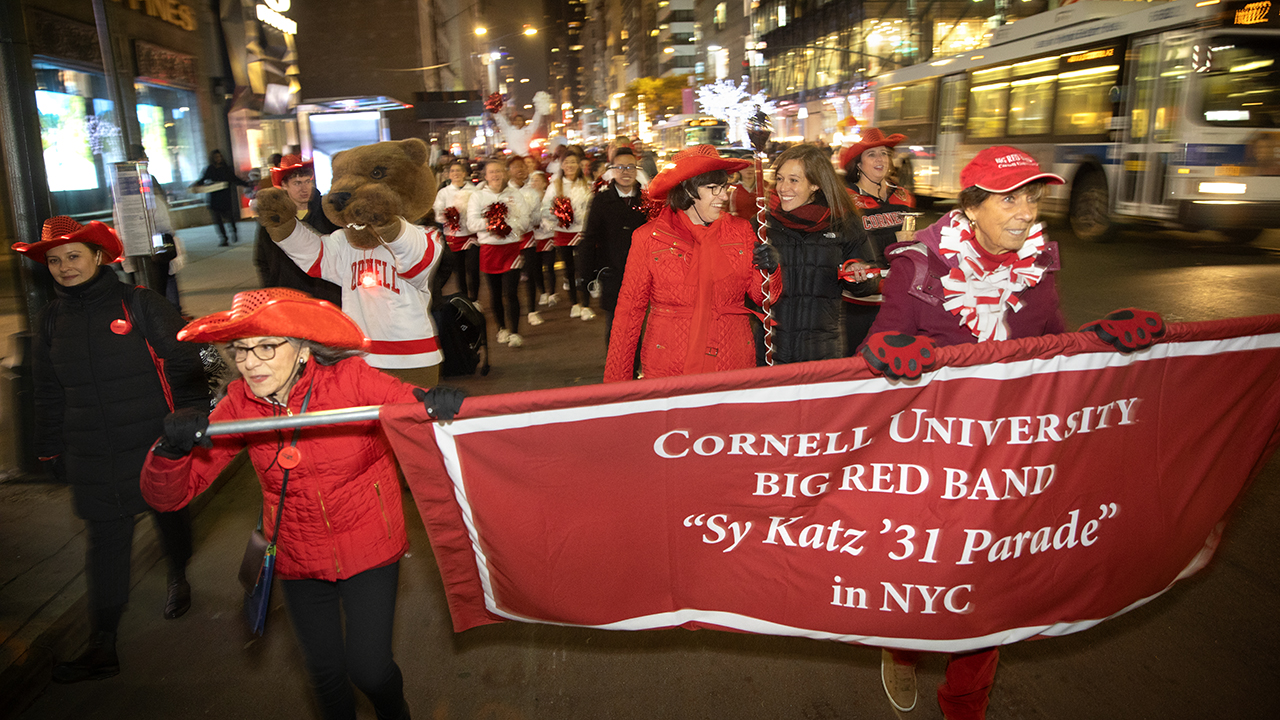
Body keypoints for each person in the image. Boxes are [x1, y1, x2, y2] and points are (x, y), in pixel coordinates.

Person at [140, 288, 464, 720]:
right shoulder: (240, 404)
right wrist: (170, 451)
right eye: (240, 351)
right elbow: (169, 495)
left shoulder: (353, 380)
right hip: (296, 552)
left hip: (369, 544)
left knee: (369, 670)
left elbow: (411, 408)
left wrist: (438, 406)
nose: (250, 363)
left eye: (266, 348)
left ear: (303, 350)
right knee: (325, 674)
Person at [862, 145, 1068, 720]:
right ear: (973, 206)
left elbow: (1057, 346)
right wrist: (887, 352)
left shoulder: (1043, 263)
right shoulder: (920, 264)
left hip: (1009, 448)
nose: (1027, 211)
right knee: (927, 568)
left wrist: (1108, 345)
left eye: (1033, 195)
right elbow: (876, 346)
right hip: (932, 448)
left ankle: (965, 703)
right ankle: (904, 649)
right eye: (1011, 197)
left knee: (990, 579)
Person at [15, 217, 210, 683]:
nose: (64, 267)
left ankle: (178, 574)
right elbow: (46, 391)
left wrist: (189, 417)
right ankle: (102, 642)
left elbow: (189, 358)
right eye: (55, 261)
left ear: (99, 257)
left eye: (73, 257)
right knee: (105, 540)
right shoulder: (52, 321)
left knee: (169, 515)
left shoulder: (139, 303)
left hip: (153, 442)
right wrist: (48, 450)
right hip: (89, 450)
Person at [604, 145, 781, 382]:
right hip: (669, 366)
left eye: (724, 187)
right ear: (687, 191)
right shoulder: (649, 238)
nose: (724, 196)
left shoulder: (740, 231)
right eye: (713, 188)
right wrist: (617, 385)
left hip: (734, 361)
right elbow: (629, 314)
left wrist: (771, 268)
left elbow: (764, 297)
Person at [764, 144, 871, 363]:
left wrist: (858, 275)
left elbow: (868, 282)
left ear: (815, 184)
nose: (783, 187)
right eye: (780, 178)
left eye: (794, 180)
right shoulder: (762, 224)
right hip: (771, 350)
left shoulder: (843, 222)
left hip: (822, 351)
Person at [839, 127, 916, 352]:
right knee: (855, 366)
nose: (880, 159)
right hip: (858, 302)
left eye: (884, 153)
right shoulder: (845, 199)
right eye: (872, 154)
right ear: (859, 163)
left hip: (895, 299)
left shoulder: (903, 197)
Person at [253, 155, 342, 306]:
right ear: (284, 185)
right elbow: (262, 260)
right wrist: (271, 291)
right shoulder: (274, 218)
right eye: (297, 183)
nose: (304, 188)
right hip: (289, 296)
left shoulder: (328, 213)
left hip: (326, 296)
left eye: (307, 181)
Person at [583, 145, 648, 345]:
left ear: (637, 170)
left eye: (630, 167)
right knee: (615, 326)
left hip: (641, 274)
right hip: (612, 273)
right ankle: (616, 373)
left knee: (639, 325)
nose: (625, 172)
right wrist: (588, 276)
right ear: (612, 170)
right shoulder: (602, 200)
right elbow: (590, 238)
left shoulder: (647, 200)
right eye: (620, 167)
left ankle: (636, 369)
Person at [468, 159, 531, 347]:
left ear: (505, 173)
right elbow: (471, 223)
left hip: (511, 248)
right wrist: (492, 225)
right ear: (486, 176)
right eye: (491, 172)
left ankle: (515, 332)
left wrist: (508, 227)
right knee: (494, 293)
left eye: (498, 171)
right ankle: (501, 328)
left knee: (511, 292)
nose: (495, 175)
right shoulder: (477, 197)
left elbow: (525, 220)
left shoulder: (515, 194)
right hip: (489, 249)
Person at [541, 147, 595, 320]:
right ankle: (574, 303)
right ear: (561, 165)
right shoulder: (555, 185)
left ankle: (586, 304)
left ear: (579, 164)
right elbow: (545, 208)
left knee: (584, 268)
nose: (570, 165)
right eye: (566, 162)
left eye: (573, 162)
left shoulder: (587, 183)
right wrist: (557, 215)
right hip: (563, 232)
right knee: (569, 270)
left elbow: (593, 206)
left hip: (582, 231)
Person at [433, 160, 479, 306]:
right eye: (453, 171)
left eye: (459, 171)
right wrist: (449, 216)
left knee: (473, 268)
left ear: (465, 173)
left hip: (471, 235)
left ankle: (475, 298)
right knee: (459, 271)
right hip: (453, 236)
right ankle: (465, 299)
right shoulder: (444, 192)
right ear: (449, 174)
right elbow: (437, 213)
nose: (456, 174)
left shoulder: (474, 191)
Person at [191, 149, 251, 246]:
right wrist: (195, 185)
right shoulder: (210, 169)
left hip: (225, 197)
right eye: (216, 157)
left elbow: (234, 179)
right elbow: (202, 180)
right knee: (218, 220)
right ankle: (224, 238)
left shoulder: (226, 169)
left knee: (230, 218)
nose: (218, 159)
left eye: (219, 157)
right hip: (214, 198)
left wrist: (246, 184)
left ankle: (233, 231)